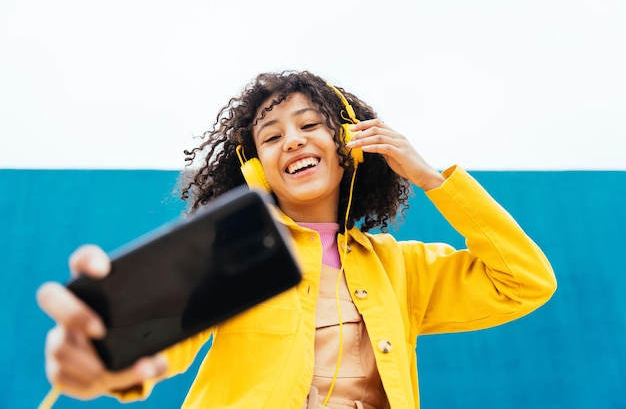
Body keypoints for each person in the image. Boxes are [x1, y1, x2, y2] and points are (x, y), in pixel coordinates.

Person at [37, 70, 557, 408]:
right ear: (256, 169)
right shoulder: (225, 259)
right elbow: (147, 351)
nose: (294, 140)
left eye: (311, 124)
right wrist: (99, 358)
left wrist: (430, 177)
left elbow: (524, 282)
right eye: (271, 136)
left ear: (349, 144)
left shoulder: (403, 269)